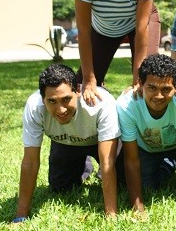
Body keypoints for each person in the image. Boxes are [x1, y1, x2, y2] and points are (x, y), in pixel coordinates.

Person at [13, 64, 121, 223]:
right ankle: (84, 165)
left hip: (101, 141)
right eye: (52, 101)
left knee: (122, 182)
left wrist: (111, 215)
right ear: (43, 99)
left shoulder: (101, 102)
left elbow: (107, 161)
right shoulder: (34, 107)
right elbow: (30, 162)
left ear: (77, 91)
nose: (61, 109)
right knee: (60, 188)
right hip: (66, 142)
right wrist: (21, 215)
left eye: (66, 99)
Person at [117, 54, 176, 211]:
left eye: (166, 89)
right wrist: (137, 207)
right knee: (148, 188)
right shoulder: (126, 105)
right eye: (152, 88)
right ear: (140, 84)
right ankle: (167, 164)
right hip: (147, 149)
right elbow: (131, 160)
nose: (159, 96)